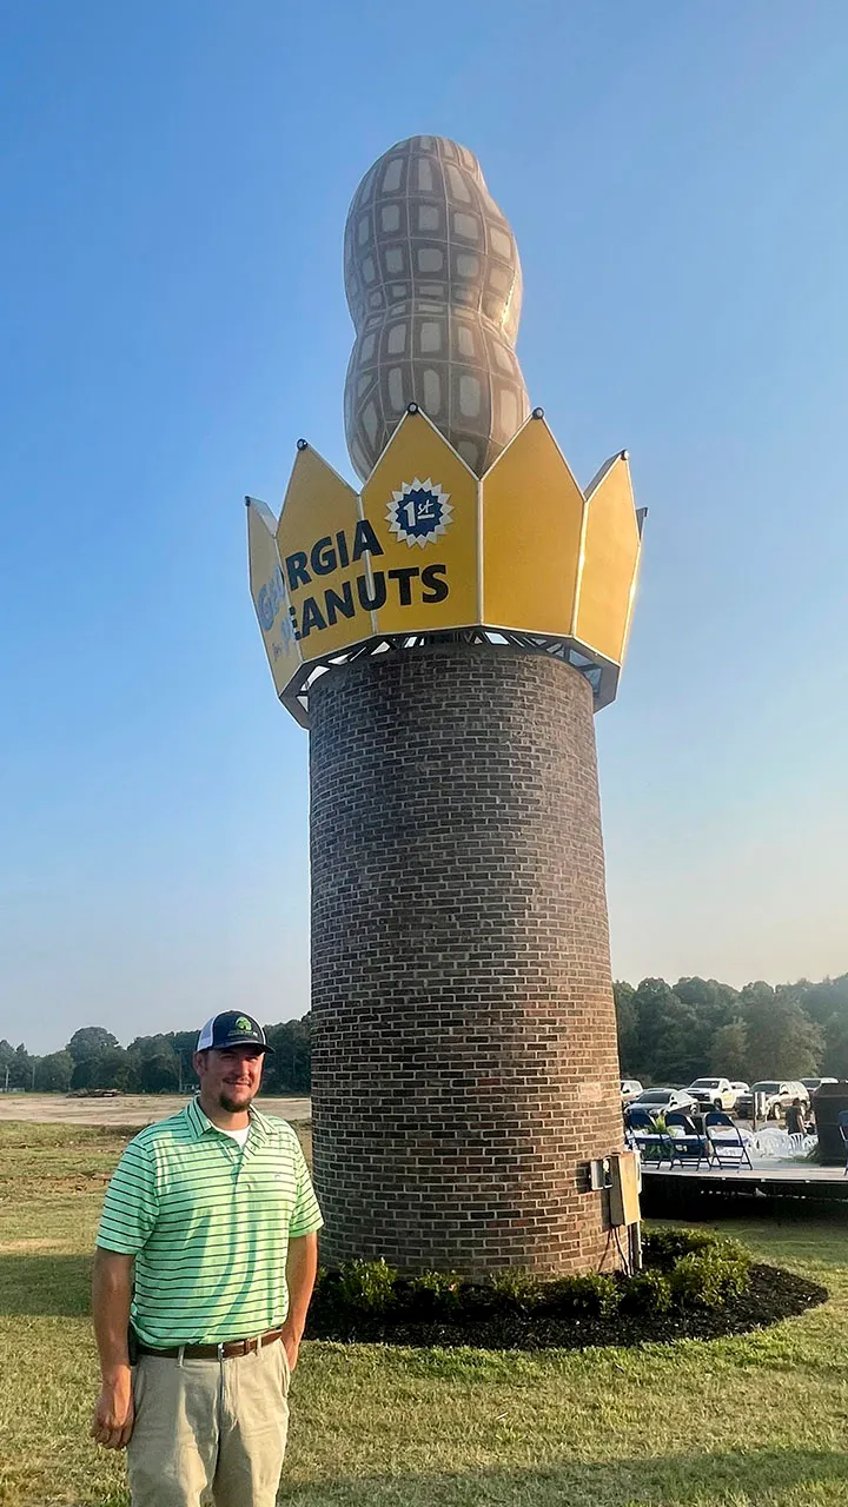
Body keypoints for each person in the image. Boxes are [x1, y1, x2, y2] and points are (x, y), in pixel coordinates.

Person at [90, 1010, 323, 1507]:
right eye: (229, 1055)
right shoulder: (153, 1151)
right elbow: (113, 1269)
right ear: (200, 1062)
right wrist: (116, 1376)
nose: (242, 1068)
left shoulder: (283, 1144)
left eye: (253, 1056)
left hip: (260, 1369)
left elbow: (304, 1239)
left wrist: (292, 1336)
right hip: (173, 1376)